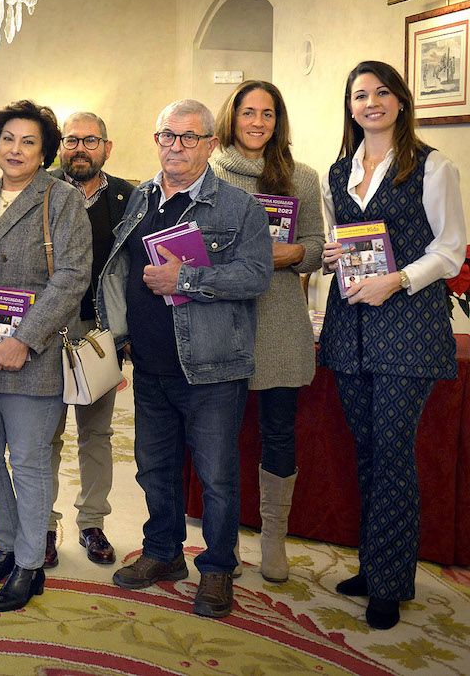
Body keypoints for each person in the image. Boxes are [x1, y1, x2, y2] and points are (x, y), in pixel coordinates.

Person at [98, 99, 272, 619]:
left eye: (188, 137)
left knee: (217, 476)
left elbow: (256, 277)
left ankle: (218, 568)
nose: (175, 146)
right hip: (150, 367)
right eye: (167, 136)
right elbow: (123, 270)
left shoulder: (238, 207)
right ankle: (163, 553)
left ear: (211, 144)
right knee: (155, 470)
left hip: (213, 369)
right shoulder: (141, 198)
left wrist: (187, 281)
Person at [319, 61, 465, 630]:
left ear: (401, 101)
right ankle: (381, 565)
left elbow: (451, 249)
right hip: (351, 324)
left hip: (408, 324)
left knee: (393, 453)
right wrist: (333, 257)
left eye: (382, 92)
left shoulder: (433, 167)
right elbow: (338, 240)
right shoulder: (338, 171)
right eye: (360, 95)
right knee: (367, 452)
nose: (371, 102)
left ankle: (388, 581)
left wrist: (397, 278)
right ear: (351, 107)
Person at [0, 100, 90, 612]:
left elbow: (72, 276)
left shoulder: (63, 199)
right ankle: (8, 545)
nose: (15, 149)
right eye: (8, 138)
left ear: (44, 151)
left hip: (32, 357)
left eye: (28, 142)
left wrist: (24, 339)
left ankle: (30, 564)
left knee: (29, 462)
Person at [211, 81, 324, 582]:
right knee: (223, 438)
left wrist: (292, 254)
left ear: (279, 121)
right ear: (231, 117)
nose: (257, 122)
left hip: (280, 322)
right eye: (248, 112)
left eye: (268, 114)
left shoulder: (301, 176)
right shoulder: (206, 173)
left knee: (278, 431)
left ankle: (274, 538)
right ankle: (225, 539)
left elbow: (319, 246)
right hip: (221, 321)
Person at [46, 111, 133, 568]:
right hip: (48, 332)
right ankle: (43, 523)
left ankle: (92, 522)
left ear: (107, 147)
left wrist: (127, 336)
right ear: (61, 146)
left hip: (101, 333)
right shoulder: (43, 191)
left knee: (95, 433)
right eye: (72, 140)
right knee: (45, 434)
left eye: (91, 140)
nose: (81, 148)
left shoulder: (128, 197)